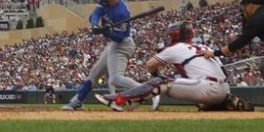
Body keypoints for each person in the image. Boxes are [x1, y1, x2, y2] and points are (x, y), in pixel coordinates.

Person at [99, 22, 250, 112]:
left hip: (207, 88)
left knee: (163, 81)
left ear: (176, 36)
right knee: (176, 78)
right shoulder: (204, 46)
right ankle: (222, 103)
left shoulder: (176, 48)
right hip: (223, 91)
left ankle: (119, 100)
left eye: (171, 35)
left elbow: (149, 65)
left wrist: (155, 78)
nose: (169, 38)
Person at [62, 0, 154, 111]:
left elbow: (120, 38)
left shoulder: (121, 12)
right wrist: (95, 25)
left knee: (116, 78)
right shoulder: (104, 2)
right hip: (114, 44)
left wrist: (106, 32)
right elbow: (95, 14)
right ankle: (77, 101)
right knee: (94, 74)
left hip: (123, 45)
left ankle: (148, 91)